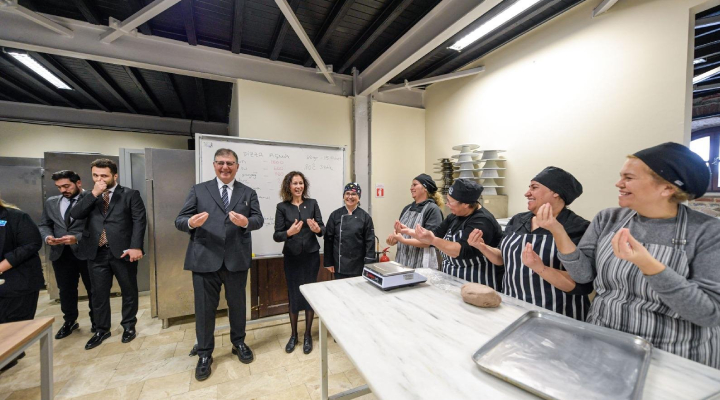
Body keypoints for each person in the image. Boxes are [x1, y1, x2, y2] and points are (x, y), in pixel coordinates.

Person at [550, 142, 720, 368]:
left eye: (628, 178)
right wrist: (557, 230)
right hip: (604, 343)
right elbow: (583, 276)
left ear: (667, 188)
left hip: (673, 357)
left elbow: (708, 314)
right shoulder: (608, 219)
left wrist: (647, 264)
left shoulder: (708, 231)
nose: (618, 183)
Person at [175, 148, 264, 381]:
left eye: (230, 163)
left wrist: (246, 222)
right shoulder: (199, 190)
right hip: (204, 259)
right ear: (214, 165)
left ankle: (239, 343)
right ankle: (205, 354)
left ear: (237, 166)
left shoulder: (248, 192)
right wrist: (191, 223)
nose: (225, 167)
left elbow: (258, 219)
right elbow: (179, 220)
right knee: (205, 309)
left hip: (236, 259)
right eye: (221, 163)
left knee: (238, 305)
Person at [467, 167, 592, 320]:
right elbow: (503, 259)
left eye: (534, 187)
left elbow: (580, 284)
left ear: (556, 192)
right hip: (513, 308)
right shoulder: (518, 220)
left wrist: (541, 268)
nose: (527, 193)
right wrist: (482, 247)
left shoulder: (578, 227)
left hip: (557, 314)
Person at [71, 159, 146, 350]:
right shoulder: (88, 195)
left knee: (128, 290)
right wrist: (94, 194)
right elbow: (76, 214)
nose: (99, 179)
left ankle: (128, 326)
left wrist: (136, 246)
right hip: (96, 251)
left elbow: (139, 221)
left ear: (115, 175)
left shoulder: (130, 194)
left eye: (104, 175)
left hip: (123, 251)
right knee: (98, 293)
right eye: (95, 175)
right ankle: (101, 329)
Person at [399, 179, 503, 288]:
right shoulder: (455, 216)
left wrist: (432, 240)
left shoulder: (482, 221)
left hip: (477, 283)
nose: (447, 204)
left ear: (465, 204)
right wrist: (408, 231)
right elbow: (436, 234)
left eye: (450, 202)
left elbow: (461, 250)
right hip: (452, 280)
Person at [38, 170, 96, 338]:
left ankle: (97, 320)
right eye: (59, 187)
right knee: (65, 290)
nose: (63, 190)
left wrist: (77, 238)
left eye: (66, 186)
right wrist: (48, 237)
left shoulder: (92, 199)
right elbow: (44, 224)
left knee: (94, 289)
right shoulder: (51, 202)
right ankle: (70, 321)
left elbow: (100, 227)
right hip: (61, 253)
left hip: (87, 252)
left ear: (78, 183)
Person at [273, 171, 324, 354]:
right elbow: (277, 235)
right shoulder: (282, 207)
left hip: (311, 256)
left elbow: (322, 228)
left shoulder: (312, 203)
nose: (298, 186)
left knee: (310, 295)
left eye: (301, 183)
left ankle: (307, 335)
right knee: (294, 295)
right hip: (292, 257)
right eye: (294, 183)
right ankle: (294, 335)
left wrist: (317, 229)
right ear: (289, 186)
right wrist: (289, 233)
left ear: (304, 185)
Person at [0, 194, 43, 372]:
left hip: (19, 281)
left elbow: (31, 244)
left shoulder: (16, 217)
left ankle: (10, 355)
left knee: (13, 328)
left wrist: (2, 266)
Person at [386, 174, 443, 269]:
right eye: (411, 185)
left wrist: (404, 241)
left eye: (415, 185)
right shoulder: (407, 209)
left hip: (421, 265)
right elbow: (399, 234)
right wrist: (393, 239)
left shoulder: (432, 209)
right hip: (402, 262)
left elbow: (429, 241)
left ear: (425, 188)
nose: (411, 188)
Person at [324, 183, 375, 279]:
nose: (350, 197)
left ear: (359, 198)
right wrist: (328, 262)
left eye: (353, 194)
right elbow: (328, 239)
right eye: (347, 193)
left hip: (358, 265)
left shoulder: (365, 217)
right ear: (343, 196)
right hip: (339, 264)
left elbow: (370, 241)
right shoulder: (335, 215)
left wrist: (369, 263)